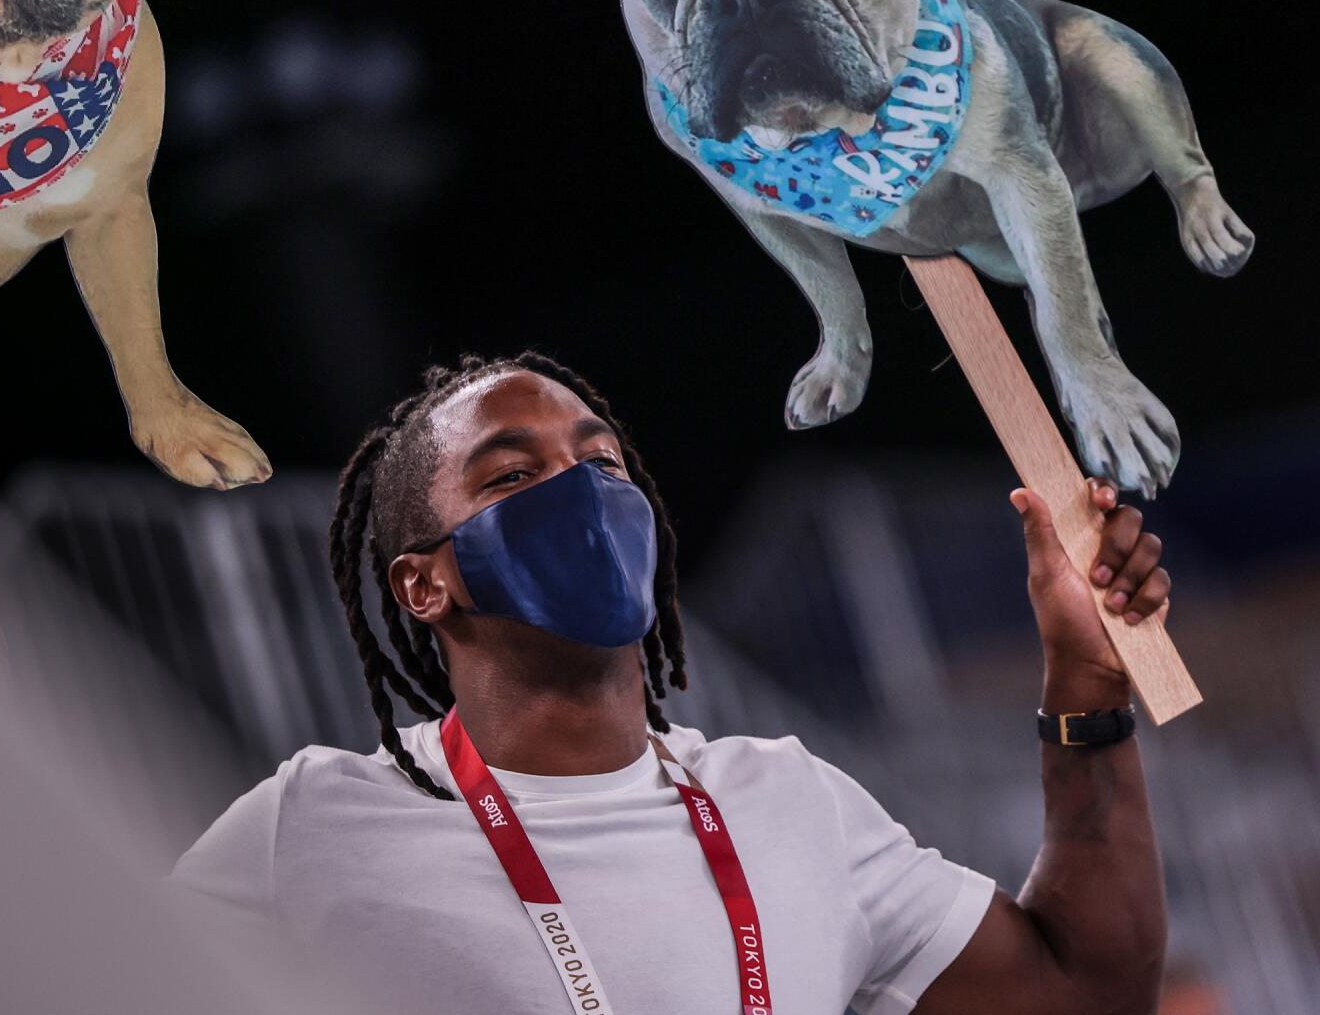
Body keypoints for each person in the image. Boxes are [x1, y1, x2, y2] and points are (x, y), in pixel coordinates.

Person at [170, 352, 1172, 1015]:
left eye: (601, 462)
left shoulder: (788, 797)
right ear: (423, 581)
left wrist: (1086, 686)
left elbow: (1086, 985)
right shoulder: (316, 819)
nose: (582, 491)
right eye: (510, 476)